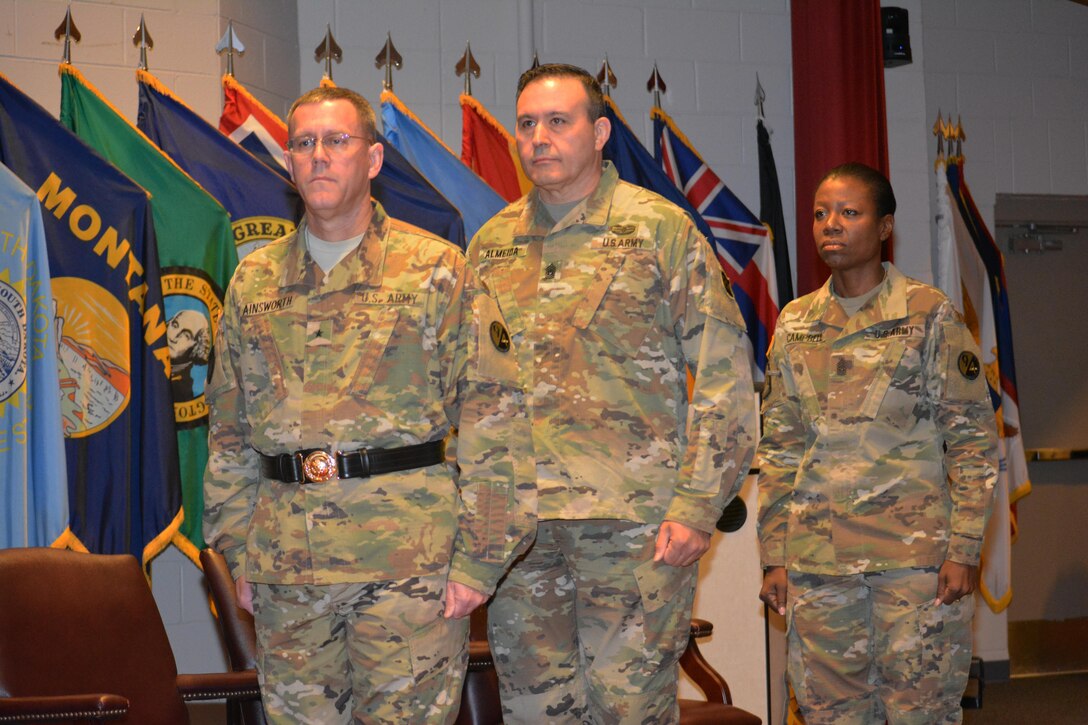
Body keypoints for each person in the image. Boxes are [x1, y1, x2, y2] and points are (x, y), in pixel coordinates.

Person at [203, 85, 527, 724]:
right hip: (287, 568)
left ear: (373, 160)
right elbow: (229, 432)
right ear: (289, 162)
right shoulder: (254, 280)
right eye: (304, 143)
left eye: (337, 141)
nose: (318, 156)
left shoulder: (437, 270)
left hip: (409, 568)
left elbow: (497, 422)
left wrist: (479, 562)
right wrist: (239, 551)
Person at [467, 63, 758, 724]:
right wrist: (480, 521)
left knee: (630, 710)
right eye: (527, 124)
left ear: (599, 131)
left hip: (636, 527)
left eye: (558, 121)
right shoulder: (490, 245)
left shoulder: (659, 231)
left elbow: (724, 375)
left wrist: (697, 505)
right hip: (521, 533)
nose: (539, 137)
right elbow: (472, 394)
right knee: (536, 712)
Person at [757, 162, 998, 724]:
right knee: (827, 713)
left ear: (885, 226)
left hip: (913, 563)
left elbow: (971, 441)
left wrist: (963, 549)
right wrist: (774, 556)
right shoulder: (795, 323)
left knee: (920, 709)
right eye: (820, 214)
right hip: (818, 564)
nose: (830, 225)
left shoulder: (926, 314)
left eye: (849, 212)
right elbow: (779, 450)